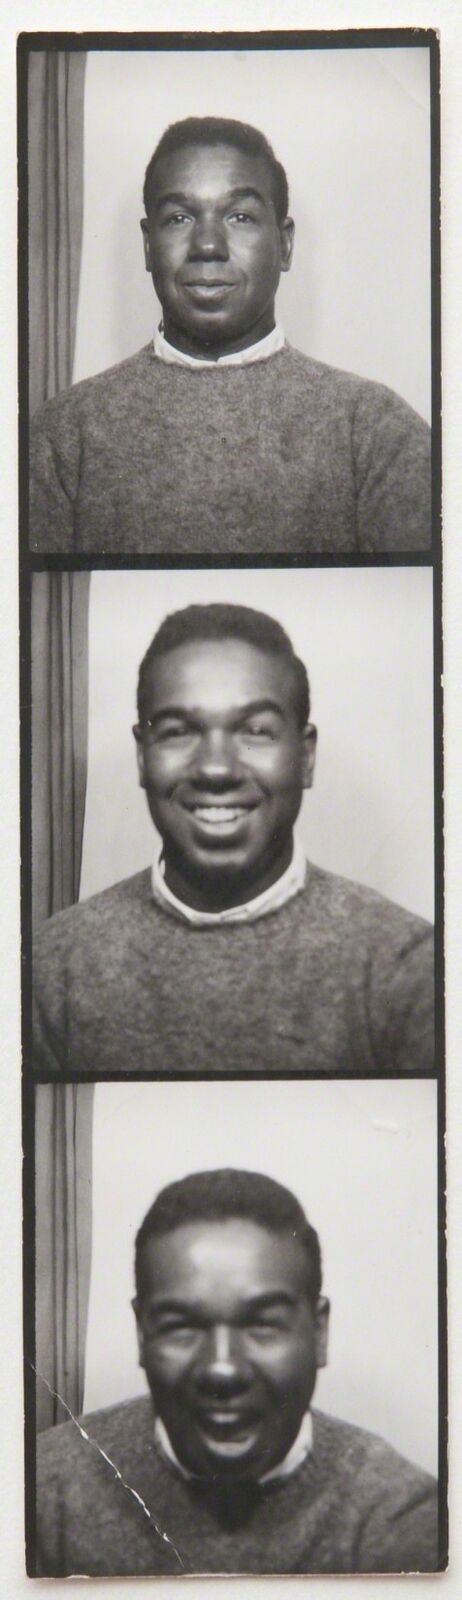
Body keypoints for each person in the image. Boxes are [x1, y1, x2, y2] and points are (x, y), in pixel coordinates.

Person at [33, 602, 434, 1076]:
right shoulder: (49, 967)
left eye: (256, 731)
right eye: (179, 731)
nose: (216, 768)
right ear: (143, 757)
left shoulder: (407, 966)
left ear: (305, 757)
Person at [30, 117, 431, 554]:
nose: (207, 245)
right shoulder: (63, 437)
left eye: (239, 216)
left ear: (285, 244)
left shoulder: (375, 432)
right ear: (148, 245)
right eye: (180, 217)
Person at [35, 1168, 440, 1576]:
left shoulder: (402, 1519)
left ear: (318, 1334)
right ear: (142, 1334)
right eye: (181, 1325)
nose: (222, 1368)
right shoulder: (44, 1495)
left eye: (262, 1324)